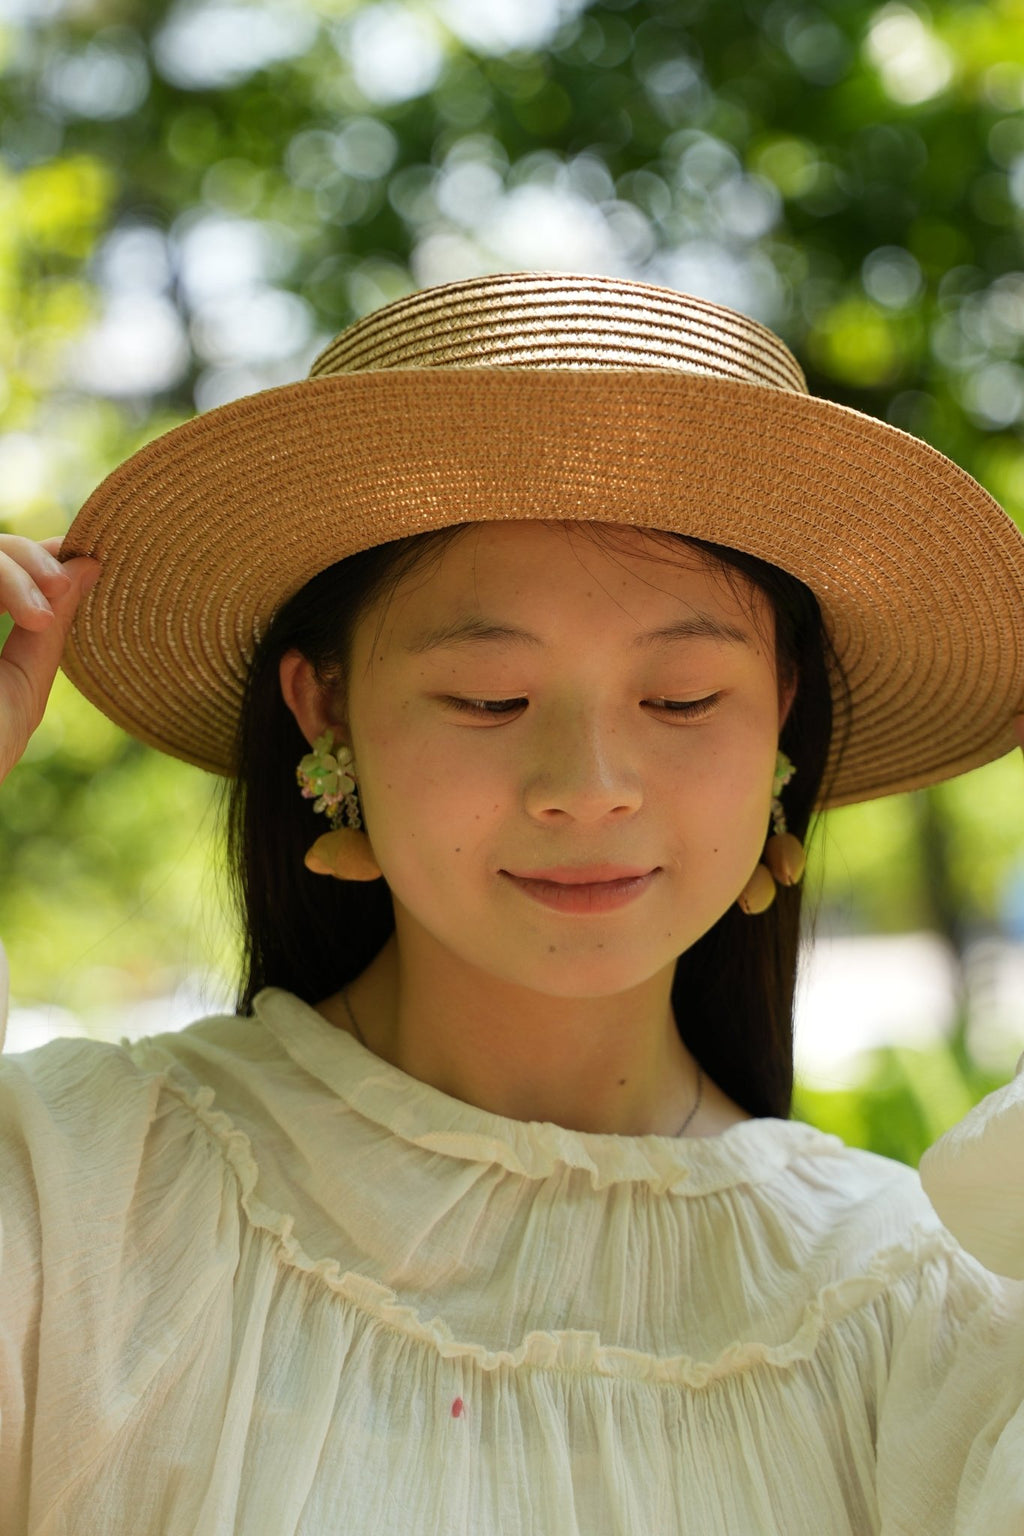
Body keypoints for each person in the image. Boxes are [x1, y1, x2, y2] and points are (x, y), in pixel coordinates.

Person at [0, 272, 1023, 1535]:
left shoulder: (915, 1303)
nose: (586, 788)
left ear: (783, 715)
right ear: (325, 708)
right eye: (488, 697)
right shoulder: (76, 1195)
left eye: (682, 699)